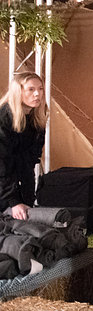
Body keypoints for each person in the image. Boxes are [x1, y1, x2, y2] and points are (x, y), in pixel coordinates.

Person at [0, 72, 47, 220]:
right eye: (31, 89)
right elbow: (2, 164)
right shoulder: (3, 119)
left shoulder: (38, 118)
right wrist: (13, 201)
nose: (37, 94)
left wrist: (27, 198)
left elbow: (30, 161)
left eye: (40, 89)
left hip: (17, 179)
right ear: (18, 92)